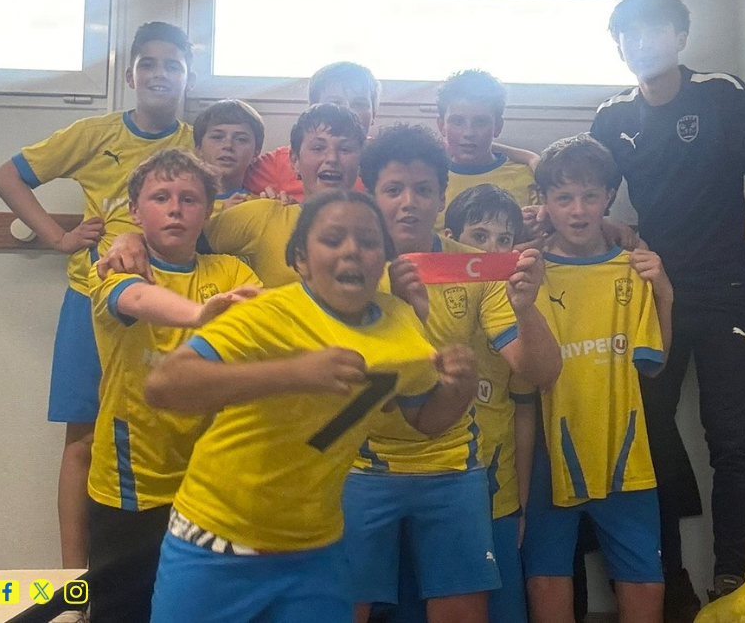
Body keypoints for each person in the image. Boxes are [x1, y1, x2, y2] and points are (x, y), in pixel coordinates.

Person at [143, 189, 474, 623]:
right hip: (214, 542)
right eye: (333, 239)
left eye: (368, 242)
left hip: (316, 552)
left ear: (385, 259)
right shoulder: (271, 312)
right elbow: (164, 385)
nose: (352, 251)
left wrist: (459, 389)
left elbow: (425, 419)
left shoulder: (401, 321)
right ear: (301, 259)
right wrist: (293, 373)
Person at [589, 0, 745, 619]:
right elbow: (583, 185)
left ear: (680, 37)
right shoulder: (612, 116)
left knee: (729, 437)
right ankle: (667, 575)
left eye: (653, 30)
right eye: (627, 35)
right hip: (652, 294)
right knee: (648, 433)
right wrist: (569, 216)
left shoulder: (719, 92)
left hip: (723, 291)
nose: (640, 43)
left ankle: (730, 578)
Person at [0, 21, 196, 570]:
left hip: (169, 309)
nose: (159, 74)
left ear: (188, 77)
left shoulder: (198, 142)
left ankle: (170, 572)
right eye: (148, 64)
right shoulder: (94, 133)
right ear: (130, 75)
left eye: (172, 65)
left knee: (172, 436)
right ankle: (76, 584)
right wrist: (57, 238)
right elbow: (6, 176)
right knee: (81, 441)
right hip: (92, 301)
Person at [344, 124, 561, 623]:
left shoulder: (475, 267)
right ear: (370, 196)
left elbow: (542, 371)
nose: (409, 203)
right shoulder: (342, 264)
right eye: (393, 189)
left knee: (463, 611)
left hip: (452, 464)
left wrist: (525, 308)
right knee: (342, 608)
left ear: (441, 198)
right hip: (360, 464)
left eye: (422, 189)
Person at [87, 149, 260, 623]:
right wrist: (201, 314)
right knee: (123, 608)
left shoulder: (231, 272)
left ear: (208, 211)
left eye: (189, 199)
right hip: (132, 479)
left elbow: (259, 316)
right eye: (160, 197)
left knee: (201, 607)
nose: (175, 209)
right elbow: (137, 298)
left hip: (211, 478)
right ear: (135, 210)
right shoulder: (115, 267)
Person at [522, 134, 674, 623]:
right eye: (564, 196)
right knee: (546, 576)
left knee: (644, 581)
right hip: (548, 452)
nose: (578, 209)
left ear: (609, 197)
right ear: (544, 201)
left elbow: (655, 362)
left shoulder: (632, 271)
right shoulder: (528, 271)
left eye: (590, 196)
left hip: (623, 451)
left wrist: (665, 296)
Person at [99, 103, 366, 290]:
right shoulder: (262, 214)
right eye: (318, 148)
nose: (332, 158)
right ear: (294, 161)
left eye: (345, 149)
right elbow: (174, 242)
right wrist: (129, 240)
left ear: (360, 160)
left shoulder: (376, 229)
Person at [443, 184, 537, 623]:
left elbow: (523, 413)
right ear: (449, 240)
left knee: (503, 609)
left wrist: (520, 505)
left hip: (498, 494)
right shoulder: (425, 305)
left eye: (503, 240)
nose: (491, 250)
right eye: (478, 237)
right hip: (433, 487)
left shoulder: (519, 317)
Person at [244, 61, 380, 198]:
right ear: (313, 109)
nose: (347, 111)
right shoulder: (279, 162)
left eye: (359, 104)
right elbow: (234, 186)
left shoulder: (386, 159)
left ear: (373, 113)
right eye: (334, 103)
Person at [434, 69, 541, 230]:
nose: (468, 133)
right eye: (457, 121)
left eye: (480, 122)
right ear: (442, 126)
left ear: (497, 126)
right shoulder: (431, 179)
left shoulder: (526, 176)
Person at [192, 99, 265, 214]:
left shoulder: (260, 207)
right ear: (199, 148)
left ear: (256, 153)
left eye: (241, 139)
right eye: (217, 137)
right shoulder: (184, 203)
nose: (228, 145)